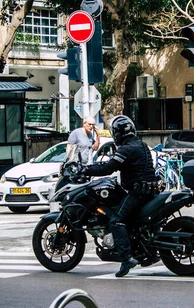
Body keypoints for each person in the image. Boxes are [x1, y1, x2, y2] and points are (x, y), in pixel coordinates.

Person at [77, 115, 158, 277]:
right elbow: (112, 165)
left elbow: (108, 169)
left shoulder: (126, 149)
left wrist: (86, 170)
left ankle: (126, 258)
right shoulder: (140, 145)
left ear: (118, 134)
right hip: (150, 191)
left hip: (138, 192)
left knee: (116, 220)